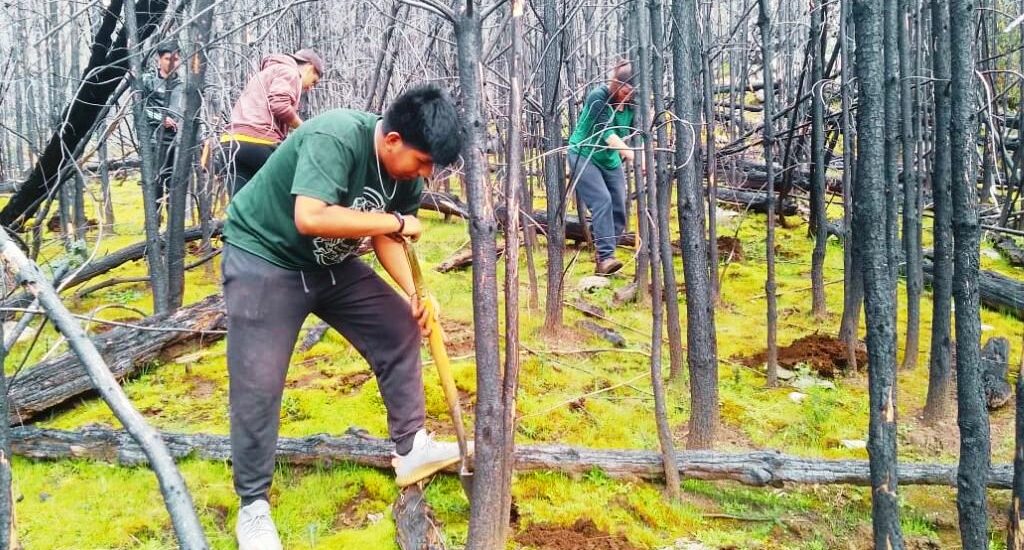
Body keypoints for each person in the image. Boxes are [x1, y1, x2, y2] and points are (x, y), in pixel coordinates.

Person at [222, 85, 465, 550]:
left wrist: (417, 293)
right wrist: (394, 222)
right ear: (392, 140)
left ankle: (411, 449)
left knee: (397, 326)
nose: (425, 175)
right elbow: (311, 216)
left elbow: (387, 241)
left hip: (326, 264)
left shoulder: (407, 175)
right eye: (421, 162)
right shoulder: (337, 136)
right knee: (259, 381)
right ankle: (253, 506)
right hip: (263, 258)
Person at [567, 61, 639, 275]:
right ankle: (605, 258)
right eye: (625, 90)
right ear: (617, 84)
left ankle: (606, 247)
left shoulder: (634, 105)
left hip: (610, 159)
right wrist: (634, 156)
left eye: (632, 92)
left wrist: (639, 153)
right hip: (583, 153)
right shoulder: (598, 97)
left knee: (618, 207)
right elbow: (607, 134)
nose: (628, 95)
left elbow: (635, 133)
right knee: (602, 200)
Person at [221, 48, 323, 197]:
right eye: (314, 81)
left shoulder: (264, 74)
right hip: (258, 142)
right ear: (310, 67)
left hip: (230, 144)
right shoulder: (290, 72)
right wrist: (304, 128)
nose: (311, 88)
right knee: (297, 192)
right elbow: (280, 106)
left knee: (242, 208)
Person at [140, 41, 182, 212]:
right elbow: (139, 109)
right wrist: (160, 118)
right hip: (155, 142)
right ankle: (154, 227)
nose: (172, 62)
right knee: (156, 183)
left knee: (175, 185)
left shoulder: (183, 86)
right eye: (167, 58)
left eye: (176, 59)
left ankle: (174, 231)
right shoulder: (147, 82)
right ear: (159, 60)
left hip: (178, 142)